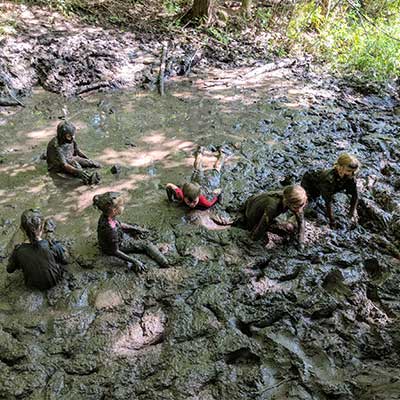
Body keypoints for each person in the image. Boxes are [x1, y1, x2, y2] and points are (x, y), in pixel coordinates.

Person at [93, 192, 168, 271]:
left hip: (109, 241)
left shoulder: (106, 216)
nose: (123, 207)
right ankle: (165, 263)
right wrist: (135, 261)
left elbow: (119, 224)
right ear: (114, 210)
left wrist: (136, 229)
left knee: (134, 228)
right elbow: (115, 251)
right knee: (146, 244)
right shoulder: (111, 230)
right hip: (113, 247)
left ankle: (156, 249)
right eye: (121, 206)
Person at [7, 209, 67, 290]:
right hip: (55, 281)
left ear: (22, 229)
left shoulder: (18, 251)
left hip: (32, 285)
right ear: (42, 228)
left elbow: (9, 269)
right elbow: (64, 261)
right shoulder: (52, 245)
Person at [301, 153, 360, 228]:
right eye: (348, 170)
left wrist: (350, 214)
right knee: (311, 202)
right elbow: (328, 202)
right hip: (310, 183)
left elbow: (355, 196)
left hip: (332, 184)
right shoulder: (328, 179)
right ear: (339, 168)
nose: (351, 174)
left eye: (353, 171)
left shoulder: (350, 176)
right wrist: (332, 220)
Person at [243, 185, 307, 245]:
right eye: (296, 207)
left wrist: (300, 242)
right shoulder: (273, 207)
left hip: (251, 201)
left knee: (295, 225)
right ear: (287, 202)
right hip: (252, 215)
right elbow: (262, 226)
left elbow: (301, 220)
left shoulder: (286, 195)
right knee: (289, 228)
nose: (299, 210)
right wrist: (253, 240)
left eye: (301, 206)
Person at [165, 146, 224, 210]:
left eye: (194, 202)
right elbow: (169, 185)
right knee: (198, 168)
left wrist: (220, 200)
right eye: (188, 202)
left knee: (216, 168)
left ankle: (222, 154)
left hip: (209, 184)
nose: (192, 205)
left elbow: (219, 190)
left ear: (198, 197)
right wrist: (170, 200)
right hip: (197, 183)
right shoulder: (181, 195)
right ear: (184, 196)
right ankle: (200, 152)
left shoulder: (206, 203)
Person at [46, 120, 101, 185]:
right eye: (69, 136)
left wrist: (88, 159)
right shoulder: (56, 146)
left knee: (94, 164)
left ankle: (89, 174)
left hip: (70, 158)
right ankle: (89, 179)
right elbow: (64, 165)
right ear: (62, 136)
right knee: (78, 168)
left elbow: (77, 151)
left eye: (73, 135)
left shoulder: (71, 138)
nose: (72, 138)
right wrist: (78, 172)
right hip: (59, 165)